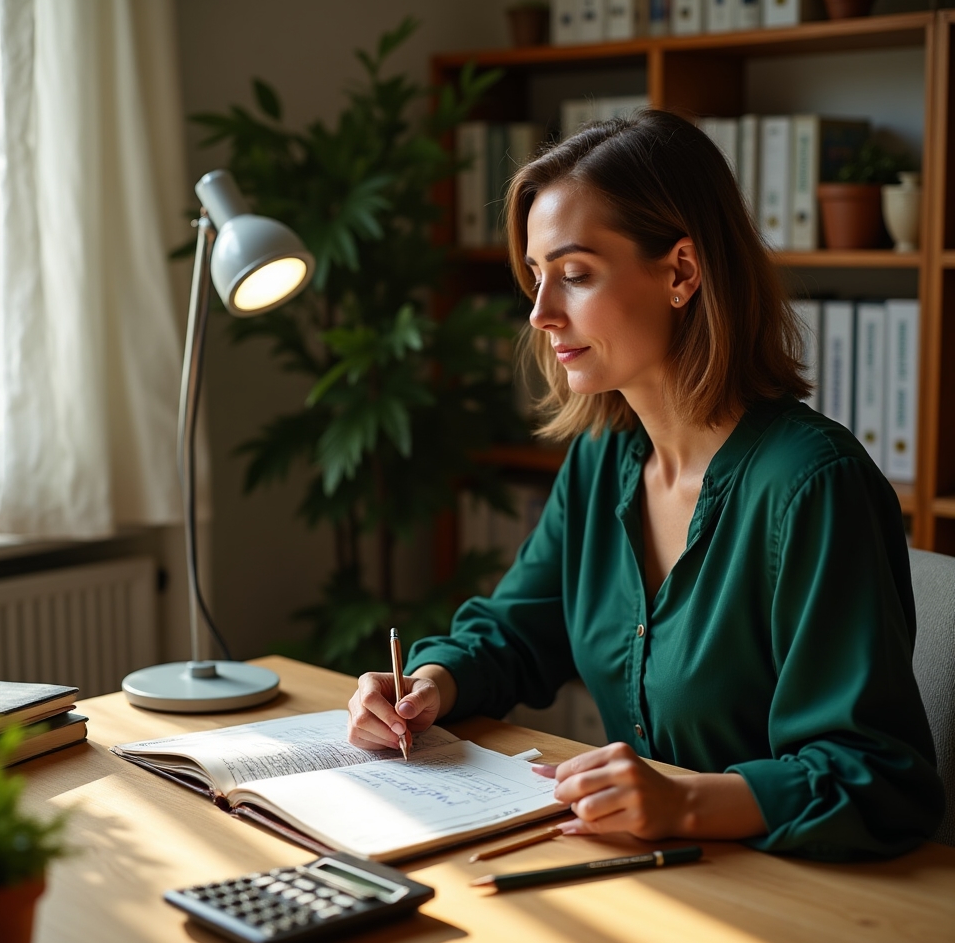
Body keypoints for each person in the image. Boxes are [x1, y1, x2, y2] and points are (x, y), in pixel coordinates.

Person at [346, 110, 944, 859]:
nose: (540, 313)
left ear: (681, 273)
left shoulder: (813, 486)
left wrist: (685, 801)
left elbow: (878, 778)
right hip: (646, 873)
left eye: (575, 274)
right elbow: (517, 630)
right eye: (536, 276)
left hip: (788, 895)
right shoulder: (604, 459)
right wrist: (430, 685)